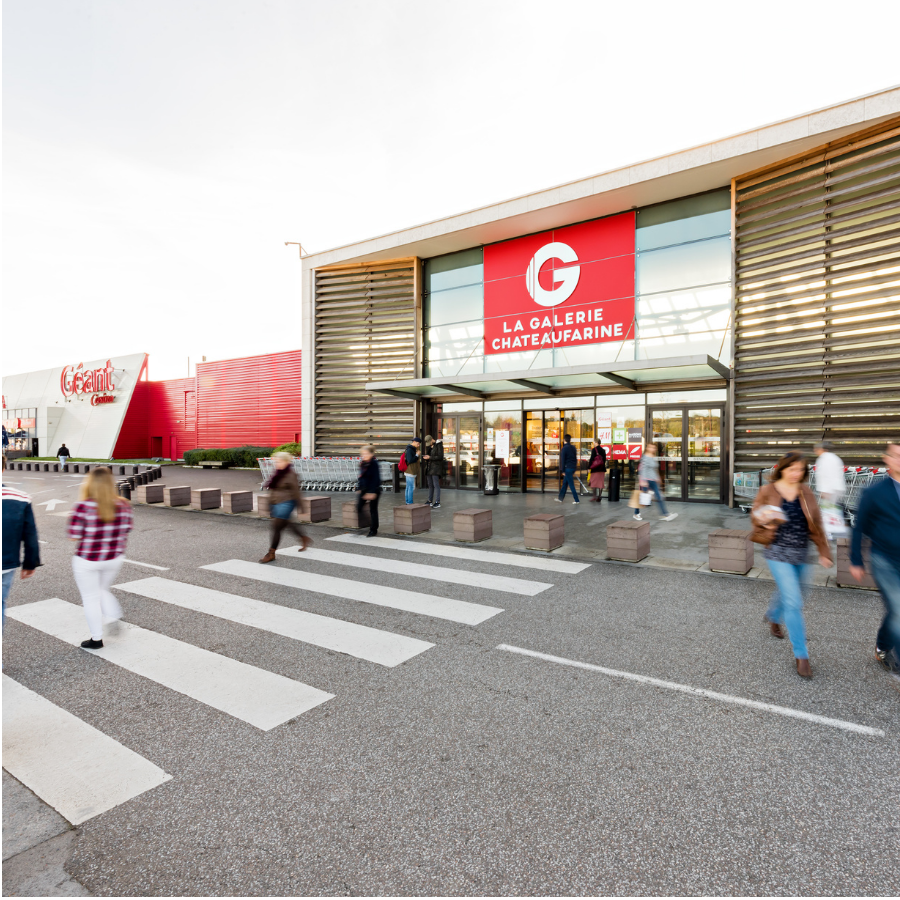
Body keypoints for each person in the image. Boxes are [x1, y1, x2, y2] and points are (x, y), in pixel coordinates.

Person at [751, 451, 832, 679]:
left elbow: (816, 522)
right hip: (776, 552)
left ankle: (774, 616)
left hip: (801, 553)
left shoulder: (806, 492)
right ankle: (802, 655)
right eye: (792, 469)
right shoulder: (768, 490)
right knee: (794, 602)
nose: (796, 473)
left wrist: (823, 551)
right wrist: (765, 517)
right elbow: (755, 515)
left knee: (793, 595)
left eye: (800, 470)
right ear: (782, 469)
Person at [850, 441, 900, 687]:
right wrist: (856, 560)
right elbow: (860, 527)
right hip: (884, 560)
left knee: (895, 611)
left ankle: (882, 645)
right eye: (897, 456)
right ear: (887, 460)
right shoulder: (875, 492)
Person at [68, 467, 133, 649]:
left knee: (90, 597)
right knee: (102, 589)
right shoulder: (124, 505)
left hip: (87, 559)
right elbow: (127, 529)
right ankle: (113, 616)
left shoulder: (83, 506)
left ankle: (96, 638)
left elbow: (73, 534)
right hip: (113, 558)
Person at [2, 455, 40, 631]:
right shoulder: (21, 498)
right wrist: (30, 563)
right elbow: (30, 533)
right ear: (3, 469)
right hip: (6, 563)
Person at [260, 451, 309, 563]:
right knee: (286, 522)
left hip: (287, 502)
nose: (277, 464)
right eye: (276, 462)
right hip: (276, 502)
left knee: (276, 527)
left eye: (279, 461)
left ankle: (271, 553)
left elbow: (297, 492)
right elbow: (273, 489)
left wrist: (303, 508)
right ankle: (303, 537)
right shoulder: (277, 472)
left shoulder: (291, 475)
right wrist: (269, 504)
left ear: (286, 462)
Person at [633, 445, 677, 522]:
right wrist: (643, 481)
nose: (653, 449)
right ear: (647, 448)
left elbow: (654, 469)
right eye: (651, 447)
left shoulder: (653, 456)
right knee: (642, 499)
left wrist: (657, 477)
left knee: (659, 496)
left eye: (654, 447)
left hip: (653, 480)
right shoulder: (645, 457)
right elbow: (642, 469)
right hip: (646, 480)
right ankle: (636, 513)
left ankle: (665, 514)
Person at [357, 444, 381, 538]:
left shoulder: (374, 463)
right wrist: (359, 488)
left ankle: (373, 529)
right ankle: (368, 523)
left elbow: (376, 479)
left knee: (373, 509)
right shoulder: (363, 463)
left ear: (371, 454)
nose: (364, 455)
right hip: (364, 489)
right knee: (359, 507)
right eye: (362, 454)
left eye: (366, 453)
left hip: (373, 489)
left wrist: (372, 492)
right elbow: (361, 476)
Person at [555, 434, 580, 504]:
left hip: (567, 469)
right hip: (572, 468)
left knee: (571, 485)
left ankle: (576, 500)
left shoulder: (564, 448)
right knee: (565, 484)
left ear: (564, 440)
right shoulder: (573, 448)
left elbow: (563, 460)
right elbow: (575, 459)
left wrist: (562, 470)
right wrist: (574, 468)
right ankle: (560, 498)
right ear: (570, 440)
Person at [424, 434, 444, 509]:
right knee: (430, 485)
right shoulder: (430, 447)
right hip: (429, 468)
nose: (429, 444)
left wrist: (430, 457)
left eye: (429, 442)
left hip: (435, 468)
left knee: (436, 485)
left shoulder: (439, 445)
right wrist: (427, 457)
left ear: (432, 439)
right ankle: (429, 501)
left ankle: (437, 502)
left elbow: (440, 457)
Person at [402, 437, 420, 505]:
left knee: (408, 487)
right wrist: (417, 455)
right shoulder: (410, 449)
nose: (418, 445)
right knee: (411, 487)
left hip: (409, 471)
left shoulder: (411, 449)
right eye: (418, 444)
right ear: (414, 442)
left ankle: (408, 501)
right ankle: (410, 502)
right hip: (410, 471)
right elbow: (410, 460)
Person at [587, 438, 606, 502]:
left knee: (593, 482)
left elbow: (591, 459)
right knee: (601, 483)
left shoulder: (594, 450)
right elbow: (604, 460)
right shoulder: (603, 450)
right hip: (602, 469)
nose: (593, 443)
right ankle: (599, 496)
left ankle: (594, 496)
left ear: (596, 442)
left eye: (594, 442)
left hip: (595, 469)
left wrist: (589, 467)